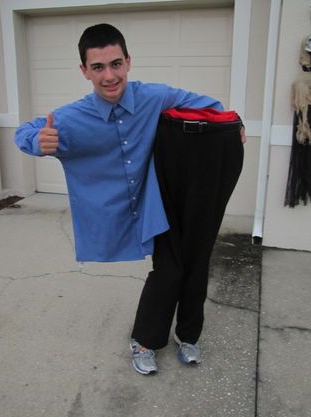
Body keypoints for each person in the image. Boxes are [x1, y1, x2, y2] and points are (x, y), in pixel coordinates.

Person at [15, 23, 245, 375]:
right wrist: (37, 142)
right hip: (120, 210)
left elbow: (203, 103)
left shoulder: (153, 96)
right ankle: (144, 341)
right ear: (84, 71)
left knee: (192, 264)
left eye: (116, 64)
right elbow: (25, 131)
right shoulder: (72, 118)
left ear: (128, 62)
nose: (109, 75)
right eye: (98, 67)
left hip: (163, 202)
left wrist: (234, 123)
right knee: (170, 272)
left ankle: (189, 335)